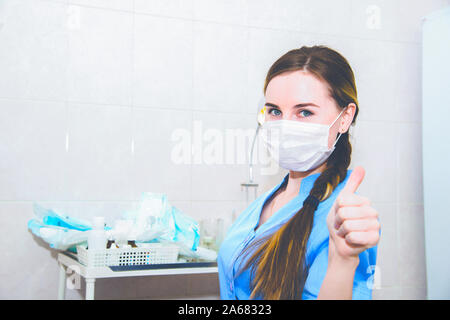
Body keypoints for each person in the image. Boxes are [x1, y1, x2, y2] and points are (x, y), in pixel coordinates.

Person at [217, 45, 380, 300]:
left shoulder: (343, 217)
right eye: (275, 111)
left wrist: (342, 262)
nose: (285, 125)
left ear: (345, 117)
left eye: (304, 112)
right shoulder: (271, 198)